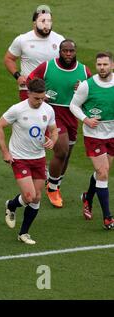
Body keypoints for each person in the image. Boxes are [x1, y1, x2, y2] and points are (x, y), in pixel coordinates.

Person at [28, 39, 91, 208]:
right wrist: (42, 94)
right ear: (59, 51)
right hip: (53, 112)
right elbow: (30, 79)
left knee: (67, 153)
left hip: (72, 113)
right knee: (61, 149)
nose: (68, 54)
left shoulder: (84, 71)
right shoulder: (48, 66)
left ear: (75, 51)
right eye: (65, 51)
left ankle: (54, 181)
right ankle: (53, 188)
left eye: (71, 51)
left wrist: (83, 88)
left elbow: (92, 91)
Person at [0, 78, 58, 245]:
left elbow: (53, 130)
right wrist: (5, 152)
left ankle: (23, 233)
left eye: (42, 98)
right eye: (36, 98)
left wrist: (53, 140)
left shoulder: (49, 110)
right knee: (29, 196)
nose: (39, 102)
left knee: (36, 198)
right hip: (20, 158)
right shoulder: (17, 109)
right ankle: (12, 205)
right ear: (28, 93)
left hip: (38, 157)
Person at [69, 52, 114, 228]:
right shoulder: (87, 85)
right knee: (103, 172)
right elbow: (74, 105)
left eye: (105, 64)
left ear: (111, 65)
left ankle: (87, 197)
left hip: (112, 133)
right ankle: (108, 217)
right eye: (99, 65)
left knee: (103, 171)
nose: (102, 68)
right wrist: (86, 119)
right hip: (94, 135)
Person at [4, 5, 65, 101]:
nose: (47, 24)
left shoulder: (60, 40)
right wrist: (18, 76)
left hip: (53, 90)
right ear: (34, 23)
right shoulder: (22, 40)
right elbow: (9, 58)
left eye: (49, 21)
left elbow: (66, 63)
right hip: (29, 89)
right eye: (43, 21)